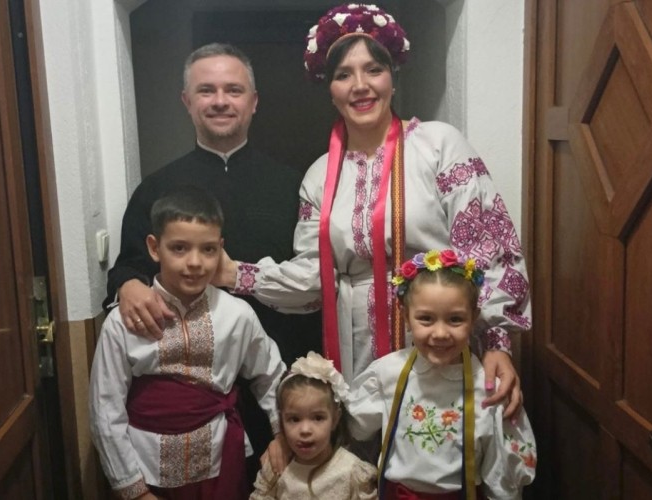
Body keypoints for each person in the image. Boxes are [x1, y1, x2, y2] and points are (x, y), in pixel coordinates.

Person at [216, 4, 528, 413]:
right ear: (330, 89)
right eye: (344, 75)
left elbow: (488, 246)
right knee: (364, 442)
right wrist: (236, 274)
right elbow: (314, 280)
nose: (360, 86)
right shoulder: (318, 176)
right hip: (355, 347)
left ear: (393, 77)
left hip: (438, 336)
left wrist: (497, 341)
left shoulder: (439, 146)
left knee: (435, 441)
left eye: (373, 70)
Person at [104, 42, 321, 480]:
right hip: (185, 403)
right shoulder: (156, 188)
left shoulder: (292, 184)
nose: (220, 101)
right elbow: (129, 264)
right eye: (206, 90)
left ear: (253, 101)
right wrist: (127, 284)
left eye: (233, 90)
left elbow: (313, 275)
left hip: (276, 374)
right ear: (187, 101)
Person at [89, 187, 286, 499]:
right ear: (154, 247)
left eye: (208, 250)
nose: (195, 262)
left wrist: (282, 434)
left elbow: (271, 375)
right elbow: (105, 409)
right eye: (179, 248)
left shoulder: (237, 315)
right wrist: (134, 490)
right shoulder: (123, 322)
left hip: (221, 460)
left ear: (221, 249)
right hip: (145, 467)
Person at [346, 249, 536, 499]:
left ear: (474, 318)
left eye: (455, 319)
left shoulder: (488, 387)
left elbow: (502, 476)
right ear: (406, 317)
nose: (440, 333)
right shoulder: (387, 372)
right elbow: (356, 428)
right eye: (426, 319)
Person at [250, 352, 377, 499]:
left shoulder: (352, 472)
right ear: (281, 422)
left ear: (335, 419)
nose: (305, 430)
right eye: (294, 419)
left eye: (318, 418)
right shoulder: (277, 468)